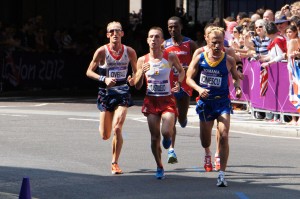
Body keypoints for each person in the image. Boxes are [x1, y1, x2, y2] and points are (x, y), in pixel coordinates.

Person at [186, 26, 242, 187]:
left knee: (224, 134)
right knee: (205, 139)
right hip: (205, 103)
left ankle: (222, 174)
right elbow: (189, 78)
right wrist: (198, 89)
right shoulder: (200, 57)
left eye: (220, 43)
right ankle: (208, 152)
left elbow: (236, 78)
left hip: (222, 102)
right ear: (208, 41)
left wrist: (237, 87)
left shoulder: (228, 60)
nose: (217, 46)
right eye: (214, 42)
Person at [86, 21, 138, 175]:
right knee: (105, 135)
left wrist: (133, 79)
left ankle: (115, 162)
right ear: (108, 35)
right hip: (106, 94)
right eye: (112, 31)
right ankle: (107, 128)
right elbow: (88, 71)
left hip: (123, 92)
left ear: (122, 34)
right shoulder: (101, 51)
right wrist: (104, 79)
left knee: (117, 128)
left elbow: (137, 72)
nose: (115, 34)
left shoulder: (130, 52)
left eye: (118, 31)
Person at [134, 26, 184, 179]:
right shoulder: (142, 60)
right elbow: (137, 85)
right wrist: (142, 71)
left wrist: (179, 83)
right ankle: (159, 166)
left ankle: (168, 140)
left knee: (166, 132)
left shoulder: (170, 56)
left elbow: (181, 71)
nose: (154, 39)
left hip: (167, 99)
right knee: (154, 137)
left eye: (157, 37)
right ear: (147, 40)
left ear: (162, 40)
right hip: (151, 101)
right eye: (151, 37)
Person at [163, 16, 198, 164]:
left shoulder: (190, 44)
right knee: (172, 117)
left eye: (175, 26)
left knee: (181, 117)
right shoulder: (164, 44)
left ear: (181, 27)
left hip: (185, 85)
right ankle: (171, 150)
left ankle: (184, 118)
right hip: (171, 85)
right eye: (170, 27)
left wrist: (189, 71)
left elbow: (198, 63)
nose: (172, 29)